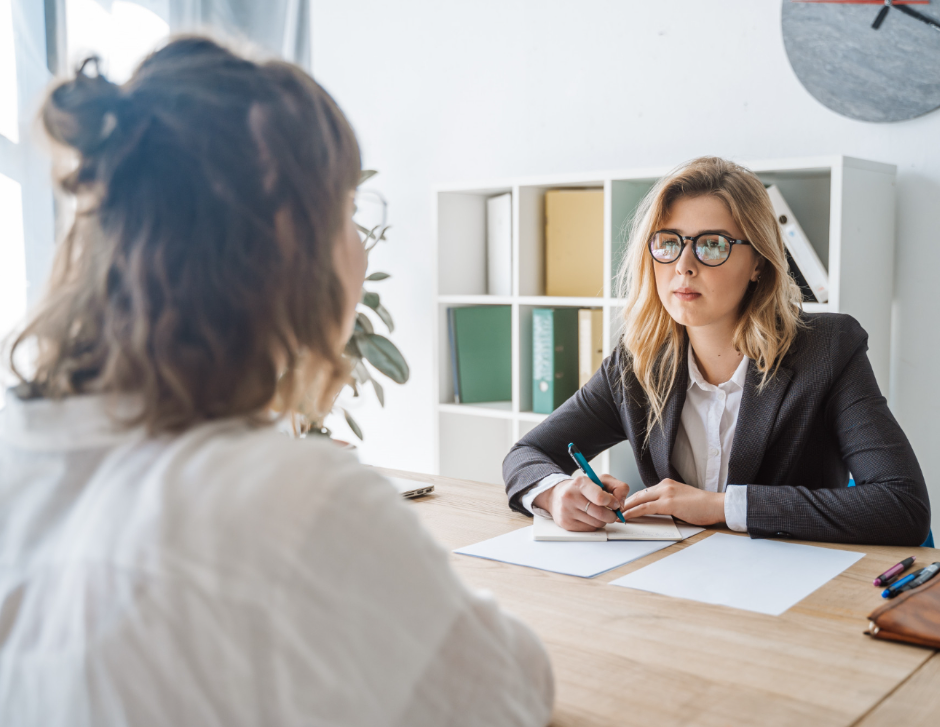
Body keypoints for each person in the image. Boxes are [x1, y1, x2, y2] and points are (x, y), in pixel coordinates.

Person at [0, 37, 552, 726]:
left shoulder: (16, 443)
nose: (359, 244)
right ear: (292, 236)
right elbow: (505, 691)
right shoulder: (293, 499)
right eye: (348, 211)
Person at [504, 156, 930, 546]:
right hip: (678, 582)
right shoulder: (635, 362)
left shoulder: (828, 351)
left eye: (712, 245)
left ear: (759, 262)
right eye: (668, 242)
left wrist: (718, 507)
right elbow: (527, 455)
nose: (683, 266)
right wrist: (556, 493)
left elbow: (901, 505)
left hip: (791, 590)